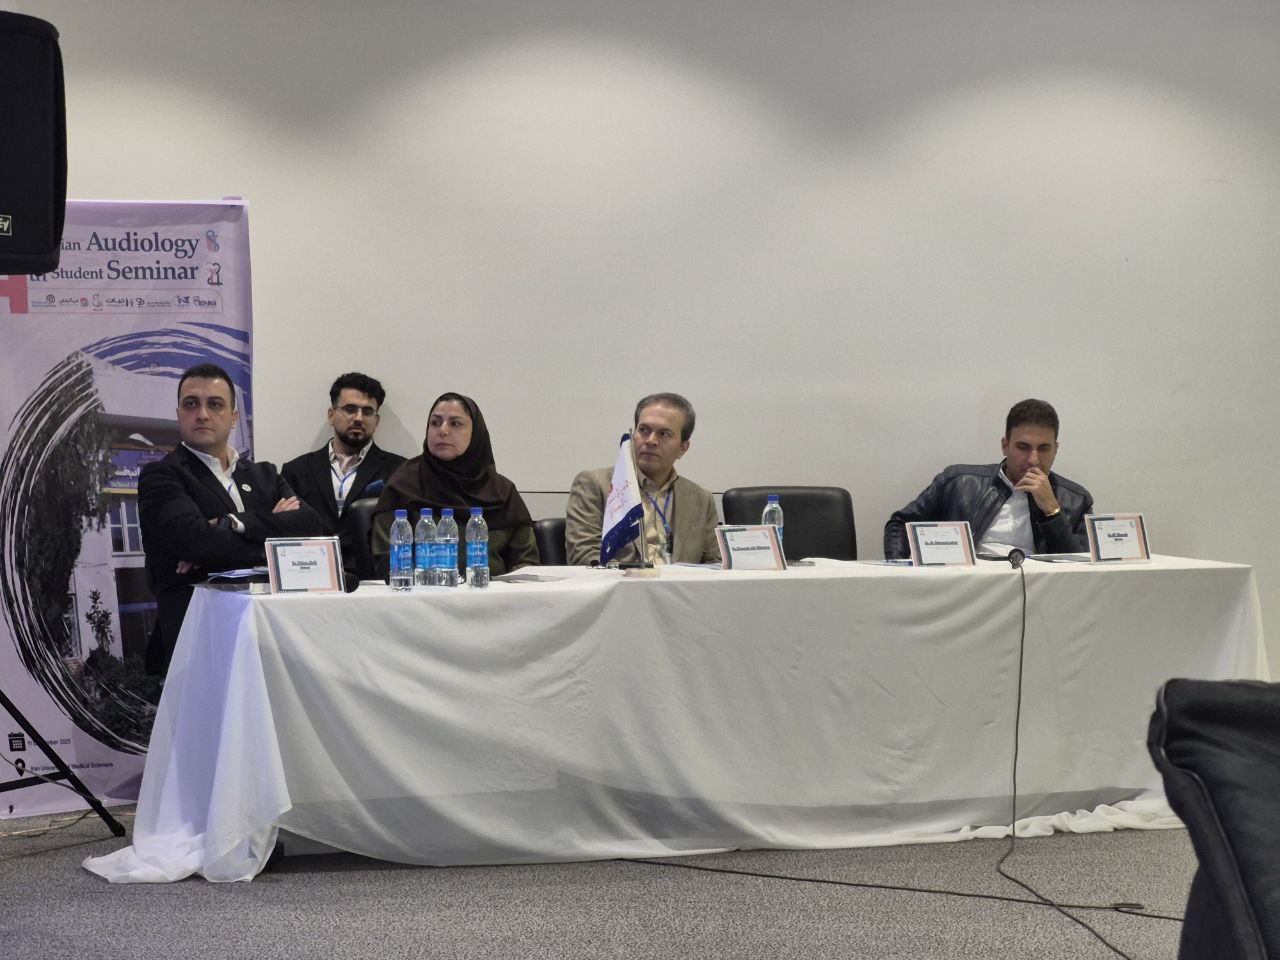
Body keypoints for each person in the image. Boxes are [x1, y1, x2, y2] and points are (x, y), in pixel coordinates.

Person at [139, 362, 322, 674]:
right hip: (200, 639)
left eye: (215, 404)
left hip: (272, 635)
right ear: (179, 413)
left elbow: (310, 527)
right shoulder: (161, 475)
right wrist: (271, 539)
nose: (202, 414)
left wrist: (233, 523)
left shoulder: (264, 474)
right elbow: (195, 541)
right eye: (191, 404)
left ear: (234, 417)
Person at [883, 398, 1094, 560]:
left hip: (1038, 595)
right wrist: (903, 575)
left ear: (1056, 449)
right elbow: (899, 525)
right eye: (1023, 447)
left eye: (1044, 449)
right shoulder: (959, 482)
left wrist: (1052, 511)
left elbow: (1082, 571)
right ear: (1005, 446)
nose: (1033, 460)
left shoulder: (1076, 500)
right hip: (969, 590)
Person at [371, 392, 538, 578]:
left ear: (476, 433)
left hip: (493, 594)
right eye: (435, 423)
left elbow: (526, 563)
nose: (442, 430)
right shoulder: (404, 484)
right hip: (421, 593)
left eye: (455, 423)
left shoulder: (502, 492)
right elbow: (386, 561)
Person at [566, 392, 720, 566]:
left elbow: (716, 563)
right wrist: (641, 577)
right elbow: (584, 556)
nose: (651, 440)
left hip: (681, 584)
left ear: (683, 448)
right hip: (621, 583)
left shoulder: (701, 499)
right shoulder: (595, 484)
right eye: (644, 430)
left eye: (664, 434)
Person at [282, 372, 406, 580]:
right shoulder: (296, 471)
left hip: (374, 583)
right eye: (350, 409)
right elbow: (285, 532)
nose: (358, 418)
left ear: (377, 421)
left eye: (367, 411)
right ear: (331, 415)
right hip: (310, 580)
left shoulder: (399, 471)